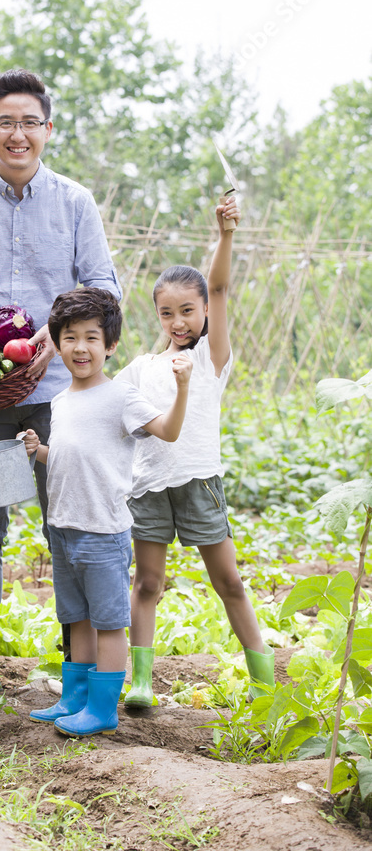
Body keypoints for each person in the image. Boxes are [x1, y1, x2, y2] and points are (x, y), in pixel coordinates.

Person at [0, 70, 122, 702]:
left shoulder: (74, 203)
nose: (18, 134)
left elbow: (104, 288)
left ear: (47, 130)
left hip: (60, 396)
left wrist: (54, 334)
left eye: (30, 122)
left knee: (68, 524)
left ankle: (78, 665)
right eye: (6, 122)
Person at [115, 194, 274, 707]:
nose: (178, 321)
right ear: (156, 314)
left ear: (205, 310)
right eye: (168, 312)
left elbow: (223, 283)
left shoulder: (211, 356)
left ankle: (265, 684)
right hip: (148, 489)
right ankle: (140, 682)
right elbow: (113, 414)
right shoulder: (140, 367)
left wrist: (226, 235)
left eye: (189, 310)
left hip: (200, 481)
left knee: (228, 580)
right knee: (148, 583)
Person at [23, 288, 192, 737]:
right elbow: (67, 456)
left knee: (109, 622)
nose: (81, 347)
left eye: (92, 337)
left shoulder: (121, 397)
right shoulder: (60, 402)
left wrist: (182, 388)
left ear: (110, 345)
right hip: (62, 527)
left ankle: (102, 707)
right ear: (57, 344)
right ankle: (75, 698)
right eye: (71, 337)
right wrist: (40, 450)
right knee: (75, 617)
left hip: (102, 531)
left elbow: (168, 432)